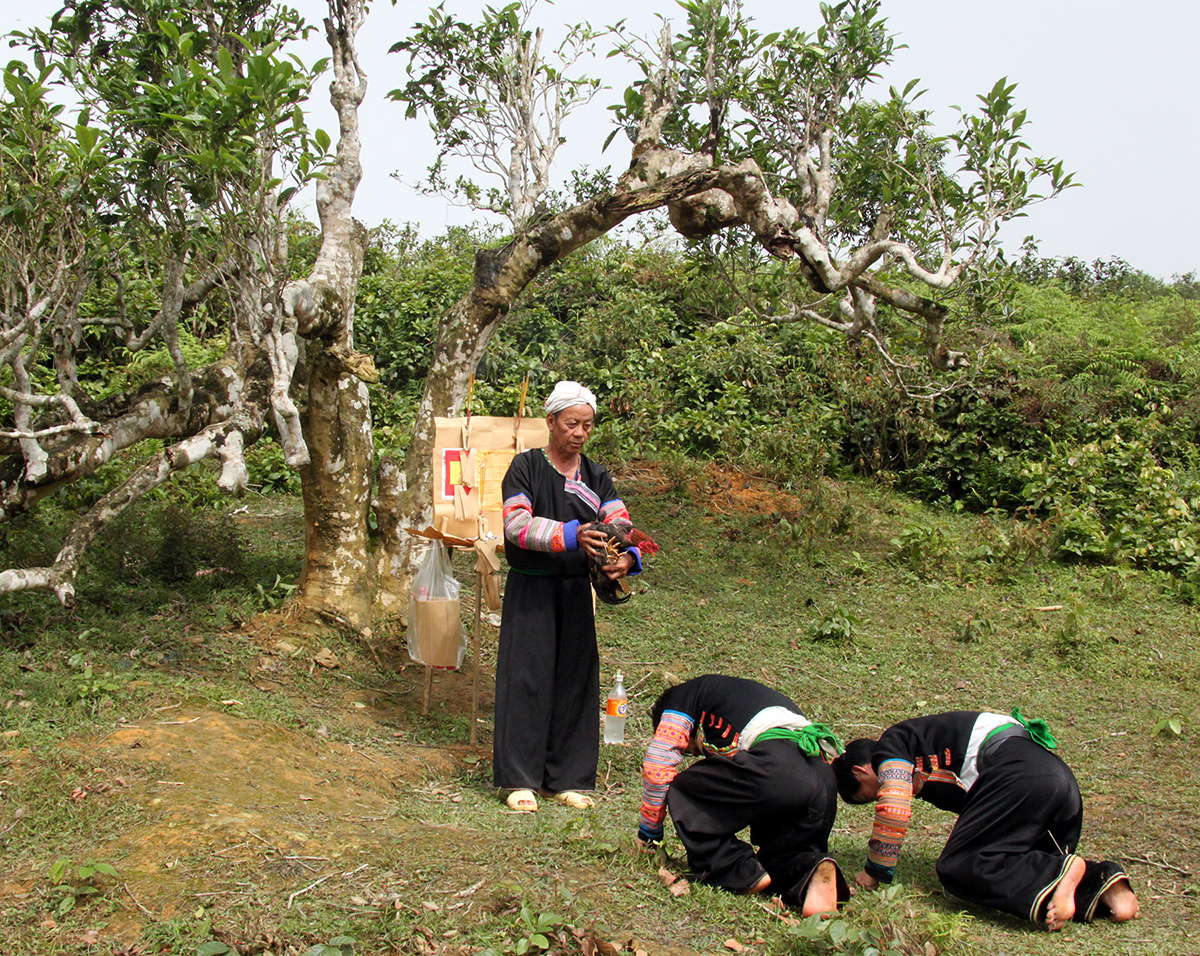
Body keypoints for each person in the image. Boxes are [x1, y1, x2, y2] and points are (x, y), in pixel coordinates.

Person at [831, 710, 1140, 930]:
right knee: (1020, 863)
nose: (879, 796)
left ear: (862, 771)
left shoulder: (893, 744)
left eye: (869, 795)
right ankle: (1105, 883)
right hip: (1056, 783)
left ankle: (1066, 868)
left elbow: (893, 806)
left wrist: (875, 871)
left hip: (1021, 774)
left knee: (960, 865)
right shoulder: (932, 779)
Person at [492, 381, 642, 813]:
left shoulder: (596, 476)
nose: (579, 433)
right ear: (551, 421)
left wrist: (625, 557)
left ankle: (568, 778)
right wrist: (574, 534)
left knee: (575, 679)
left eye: (587, 425)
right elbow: (517, 526)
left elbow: (619, 522)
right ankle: (520, 779)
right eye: (571, 423)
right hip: (532, 586)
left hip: (576, 591)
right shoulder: (525, 468)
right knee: (527, 677)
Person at [635, 674, 849, 917]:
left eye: (690, 749)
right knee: (780, 855)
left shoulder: (682, 699)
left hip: (779, 769)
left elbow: (657, 766)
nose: (695, 752)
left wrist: (650, 834)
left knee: (686, 788)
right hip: (823, 777)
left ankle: (733, 869)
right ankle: (813, 870)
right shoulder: (741, 698)